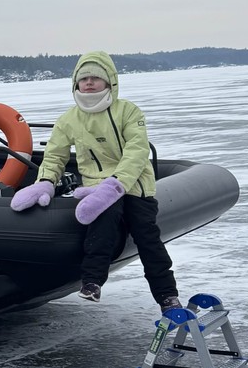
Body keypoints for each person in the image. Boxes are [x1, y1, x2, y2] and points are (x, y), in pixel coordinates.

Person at [10, 49, 181, 309]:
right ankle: (92, 282)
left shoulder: (129, 112)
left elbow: (137, 151)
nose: (89, 83)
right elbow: (54, 155)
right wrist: (45, 181)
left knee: (148, 238)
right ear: (75, 83)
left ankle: (167, 296)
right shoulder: (68, 119)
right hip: (95, 188)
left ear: (109, 82)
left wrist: (115, 185)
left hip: (133, 185)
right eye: (84, 78)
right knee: (103, 221)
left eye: (96, 78)